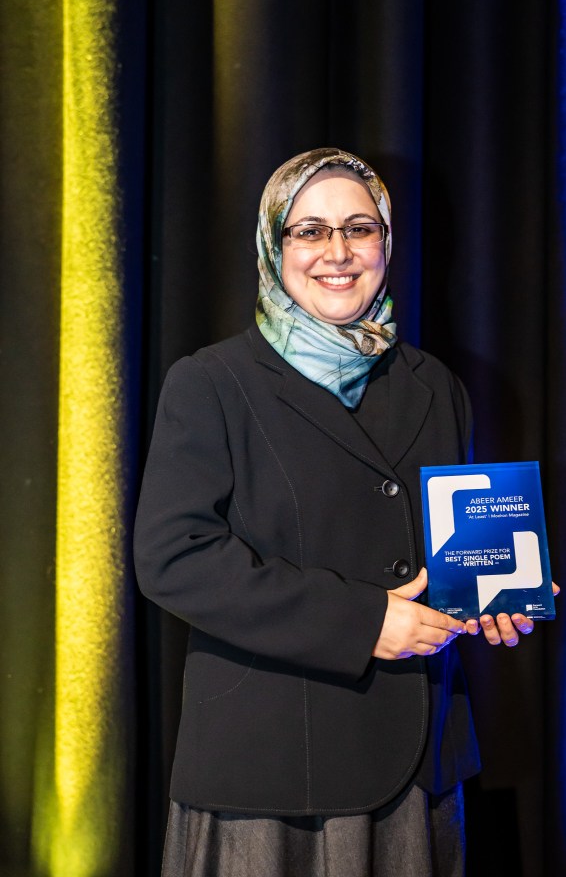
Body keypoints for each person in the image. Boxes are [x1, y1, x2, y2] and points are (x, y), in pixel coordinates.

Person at [134, 148, 542, 877]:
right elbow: (175, 558)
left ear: (386, 242)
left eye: (359, 228)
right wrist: (363, 623)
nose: (337, 252)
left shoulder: (434, 385)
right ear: (273, 246)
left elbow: (456, 543)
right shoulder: (211, 382)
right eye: (309, 231)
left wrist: (497, 593)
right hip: (274, 768)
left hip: (417, 759)